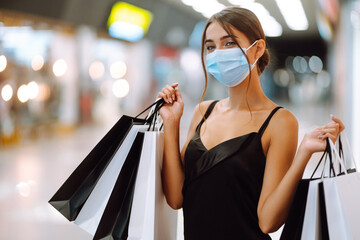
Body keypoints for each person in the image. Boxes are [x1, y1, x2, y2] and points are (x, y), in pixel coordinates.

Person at [157, 7, 344, 240]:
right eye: (210, 47)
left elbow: (268, 222)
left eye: (228, 43)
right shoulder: (204, 111)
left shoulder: (279, 121)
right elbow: (176, 198)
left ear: (257, 49)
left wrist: (303, 153)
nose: (217, 53)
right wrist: (172, 122)